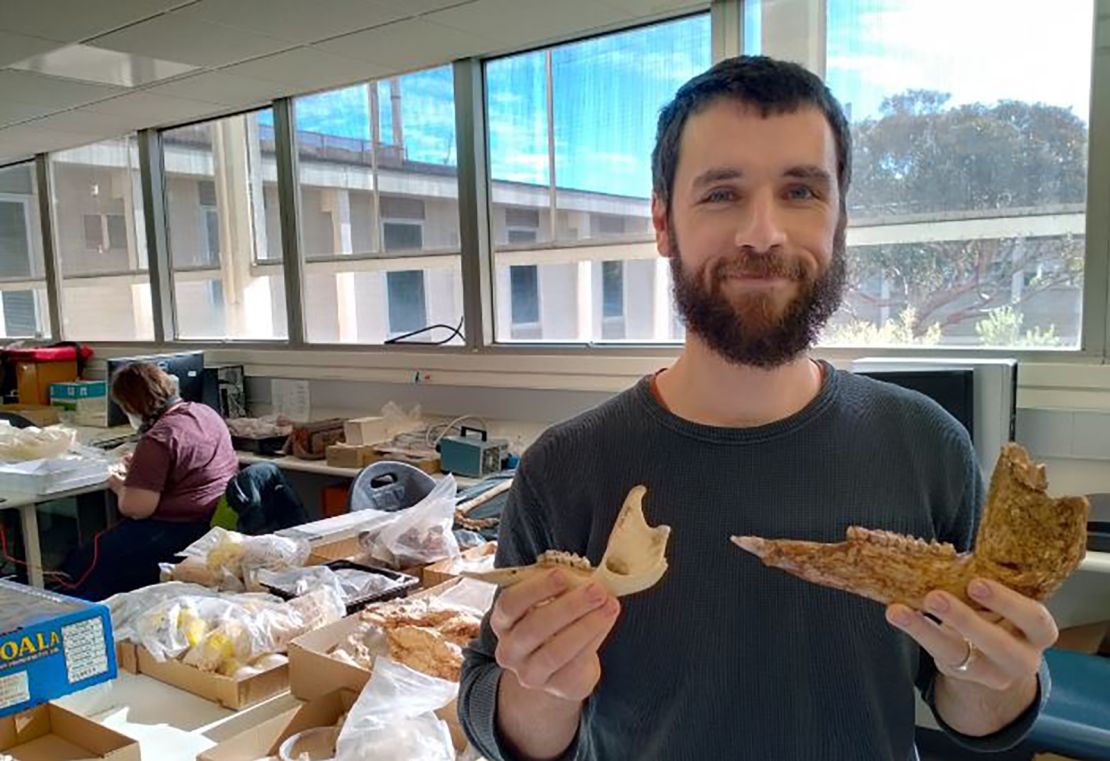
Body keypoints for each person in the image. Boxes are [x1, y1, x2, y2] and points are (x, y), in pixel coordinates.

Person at [459, 56, 1057, 761]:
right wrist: (544, 688)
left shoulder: (927, 445)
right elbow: (495, 705)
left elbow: (977, 713)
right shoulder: (565, 465)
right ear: (662, 221)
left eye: (801, 189)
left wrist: (994, 673)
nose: (764, 233)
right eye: (721, 194)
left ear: (839, 218)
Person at [62, 362, 240, 600]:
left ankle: (82, 619)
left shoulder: (158, 438)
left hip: (178, 531)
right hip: (212, 523)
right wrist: (143, 469)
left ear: (131, 405)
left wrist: (120, 485)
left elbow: (137, 509)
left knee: (85, 562)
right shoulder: (205, 413)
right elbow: (190, 462)